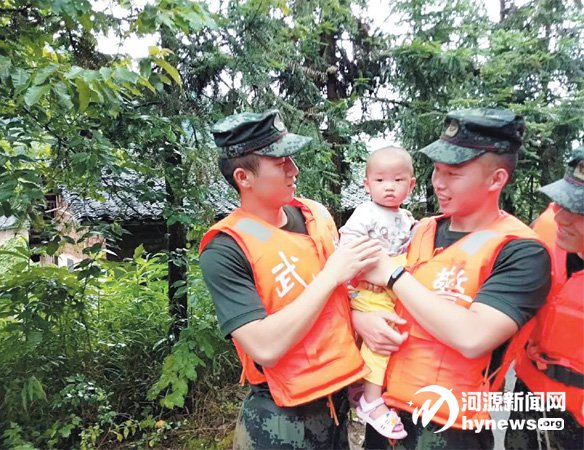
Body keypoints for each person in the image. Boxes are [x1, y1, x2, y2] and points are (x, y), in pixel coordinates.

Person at [355, 108, 552, 449]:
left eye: (454, 173)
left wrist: (393, 275)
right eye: (436, 169)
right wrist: (360, 318)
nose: (438, 182)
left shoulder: (521, 251)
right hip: (387, 416)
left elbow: (473, 336)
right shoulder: (419, 230)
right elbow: (365, 289)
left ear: (496, 180)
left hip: (450, 428)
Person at [199, 110, 381, 449]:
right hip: (280, 420)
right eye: (280, 162)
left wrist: (361, 316)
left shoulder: (316, 215)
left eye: (292, 159)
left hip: (337, 405)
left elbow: (342, 296)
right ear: (244, 177)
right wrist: (330, 277)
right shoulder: (226, 249)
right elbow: (264, 346)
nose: (294, 170)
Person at [505, 147, 584, 450]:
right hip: (530, 391)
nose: (561, 216)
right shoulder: (549, 226)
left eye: (579, 210)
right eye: (563, 201)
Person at [339, 147, 416, 439]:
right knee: (381, 340)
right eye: (380, 180)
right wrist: (361, 273)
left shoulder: (406, 218)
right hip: (370, 288)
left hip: (391, 288)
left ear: (411, 185)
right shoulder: (366, 213)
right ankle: (371, 401)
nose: (389, 187)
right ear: (367, 184)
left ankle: (359, 386)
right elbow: (347, 246)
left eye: (398, 180)